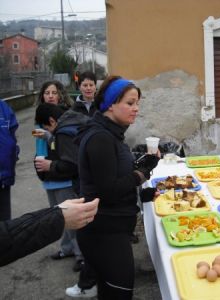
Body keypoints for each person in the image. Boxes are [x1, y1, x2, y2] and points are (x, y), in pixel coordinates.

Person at [75, 76, 160, 299]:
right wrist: (142, 173)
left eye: (137, 104)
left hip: (112, 228)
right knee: (119, 293)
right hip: (103, 232)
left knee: (110, 292)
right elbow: (108, 190)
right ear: (111, 104)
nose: (136, 109)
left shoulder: (111, 134)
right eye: (130, 103)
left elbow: (116, 178)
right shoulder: (100, 138)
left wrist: (144, 193)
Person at [34, 104, 88, 272]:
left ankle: (81, 256)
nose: (50, 95)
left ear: (51, 120)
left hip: (65, 181)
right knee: (61, 218)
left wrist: (50, 165)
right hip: (52, 179)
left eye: (45, 126)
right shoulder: (65, 122)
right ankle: (68, 249)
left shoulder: (64, 131)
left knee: (72, 219)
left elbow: (71, 164)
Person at [0, 197, 99, 267]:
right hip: (49, 182)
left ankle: (79, 256)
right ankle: (67, 250)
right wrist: (58, 218)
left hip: (63, 182)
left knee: (73, 221)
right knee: (69, 220)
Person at [0, 100, 19, 221]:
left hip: (4, 177)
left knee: (5, 224)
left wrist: (14, 154)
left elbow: (12, 135)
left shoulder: (3, 107)